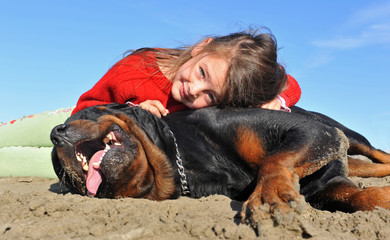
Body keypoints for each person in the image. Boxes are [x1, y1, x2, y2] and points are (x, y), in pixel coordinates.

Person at [71, 29, 301, 117]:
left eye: (210, 96)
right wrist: (129, 113)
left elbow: (288, 82)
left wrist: (276, 99)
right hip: (87, 113)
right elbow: (82, 110)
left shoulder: (231, 85)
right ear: (201, 47)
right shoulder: (133, 73)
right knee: (42, 146)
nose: (194, 90)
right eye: (202, 73)